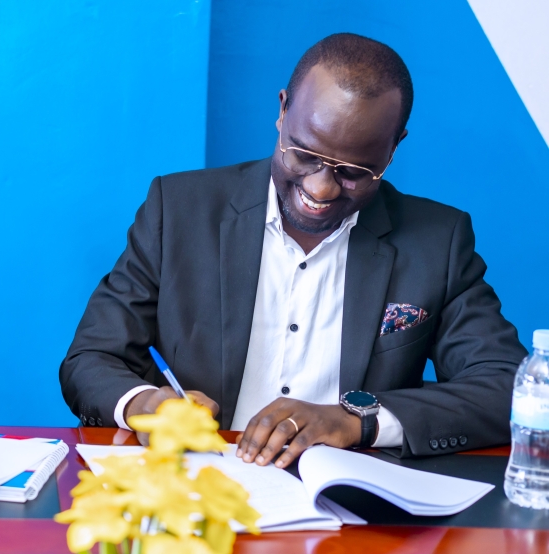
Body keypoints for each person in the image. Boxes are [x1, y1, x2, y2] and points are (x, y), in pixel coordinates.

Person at [60, 33, 527, 467]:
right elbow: (91, 358)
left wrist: (356, 421)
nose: (321, 189)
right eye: (304, 154)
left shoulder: (436, 240)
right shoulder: (178, 210)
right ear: (283, 111)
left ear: (392, 149)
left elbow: (506, 385)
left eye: (353, 172)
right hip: (196, 487)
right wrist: (148, 403)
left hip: (353, 503)